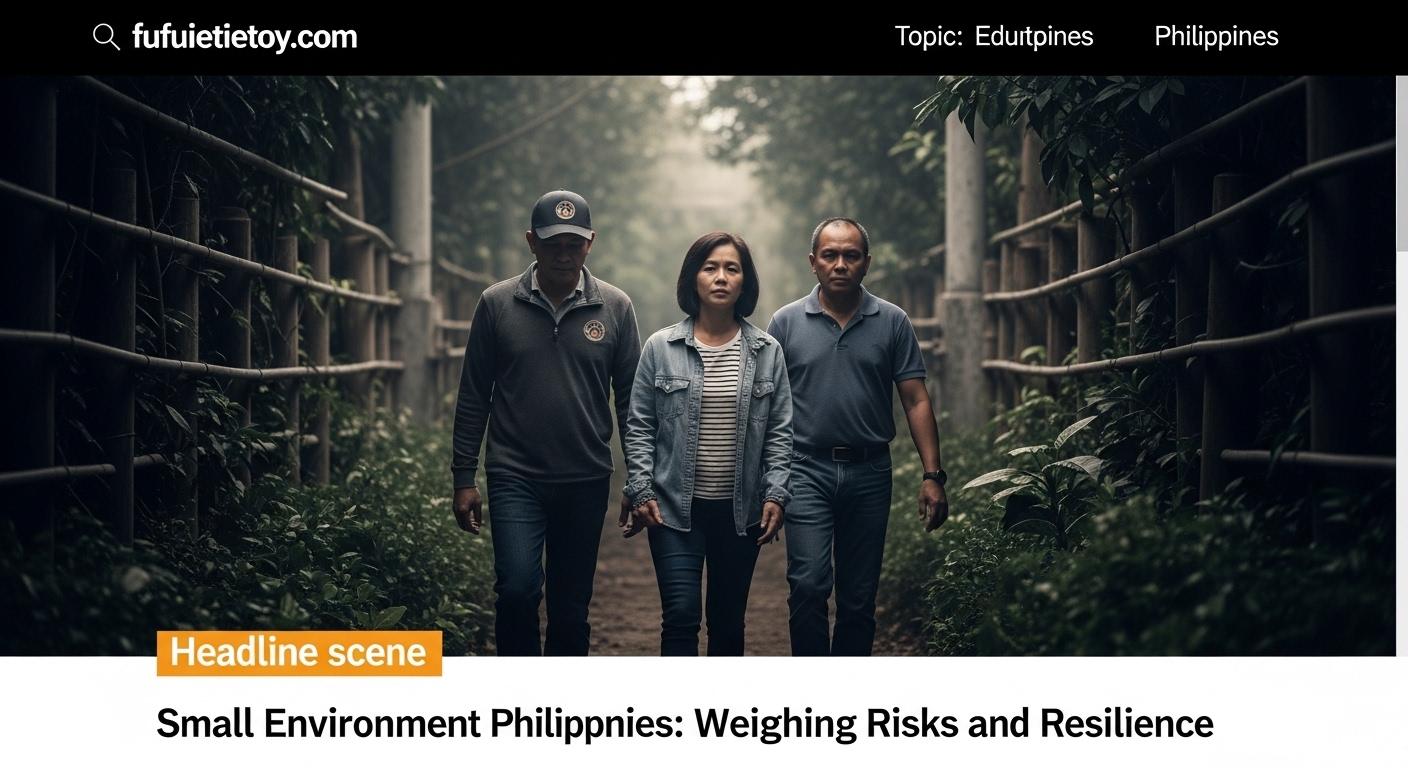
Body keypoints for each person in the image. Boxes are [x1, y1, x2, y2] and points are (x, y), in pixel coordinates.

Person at [450, 189, 640, 656]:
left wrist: (639, 479)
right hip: (515, 475)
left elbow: (631, 403)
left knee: (570, 608)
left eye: (574, 244)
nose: (564, 254)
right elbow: (474, 393)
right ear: (531, 241)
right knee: (517, 590)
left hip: (586, 477)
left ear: (590, 243)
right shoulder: (496, 304)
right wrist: (463, 477)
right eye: (553, 243)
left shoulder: (615, 307)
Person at [767, 217, 950, 656]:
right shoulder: (785, 323)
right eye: (830, 255)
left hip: (870, 472)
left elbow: (915, 399)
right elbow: (766, 407)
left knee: (858, 597)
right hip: (804, 469)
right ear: (813, 262)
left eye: (851, 255)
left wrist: (933, 475)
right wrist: (768, 483)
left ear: (866, 262)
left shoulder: (892, 321)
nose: (840, 264)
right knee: (808, 585)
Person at [621, 231, 791, 656]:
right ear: (692, 278)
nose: (720, 277)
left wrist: (776, 493)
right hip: (673, 510)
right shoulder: (660, 347)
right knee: (680, 617)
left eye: (732, 268)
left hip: (740, 512)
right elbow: (639, 425)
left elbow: (779, 431)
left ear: (744, 281)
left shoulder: (767, 351)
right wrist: (641, 489)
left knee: (728, 622)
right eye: (710, 267)